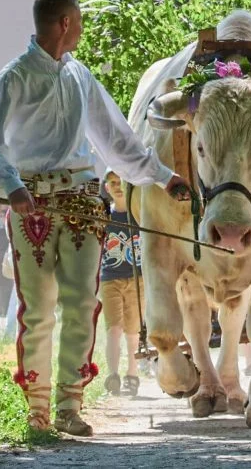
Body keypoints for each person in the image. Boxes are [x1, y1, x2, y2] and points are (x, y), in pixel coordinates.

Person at [0, 0, 190, 436]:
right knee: (37, 308)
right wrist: (10, 185)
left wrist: (163, 176)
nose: (82, 29)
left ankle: (69, 404)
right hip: (29, 203)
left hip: (81, 202)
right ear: (66, 23)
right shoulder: (14, 78)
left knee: (82, 303)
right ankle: (37, 410)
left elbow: (115, 137)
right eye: (80, 21)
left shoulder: (79, 76)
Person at [99, 168, 143, 397]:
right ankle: (112, 374)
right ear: (106, 187)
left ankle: (132, 373)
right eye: (112, 182)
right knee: (113, 328)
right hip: (110, 278)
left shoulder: (138, 215)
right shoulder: (104, 216)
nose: (116, 186)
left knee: (133, 330)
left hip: (137, 279)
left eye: (121, 181)